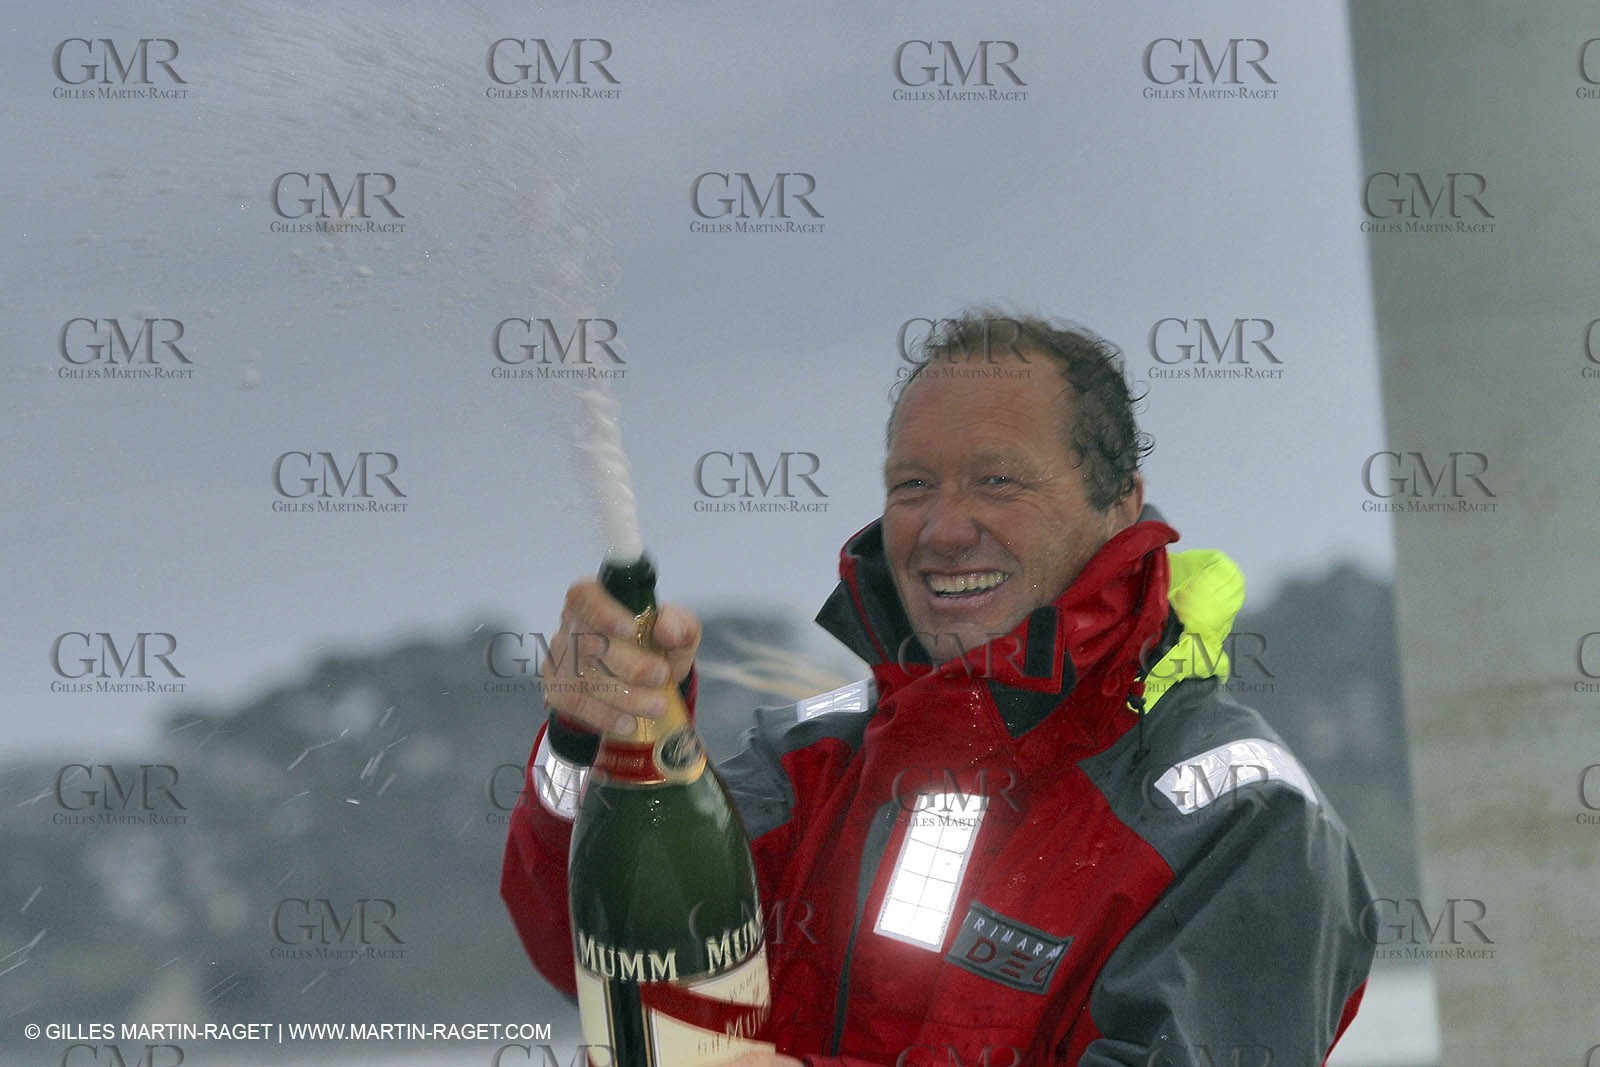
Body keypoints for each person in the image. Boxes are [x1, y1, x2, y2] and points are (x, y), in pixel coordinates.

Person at [501, 312, 1375, 1066]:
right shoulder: (812, 758)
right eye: (913, 485)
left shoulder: (1244, 823)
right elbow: (608, 960)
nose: (946, 528)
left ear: (1122, 502)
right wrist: (596, 741)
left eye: (998, 480)